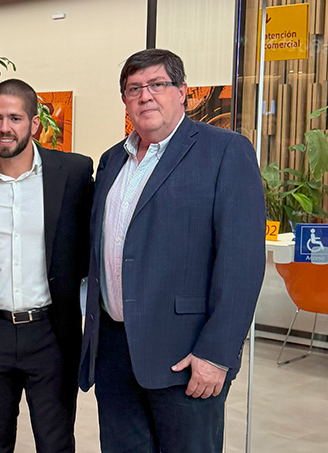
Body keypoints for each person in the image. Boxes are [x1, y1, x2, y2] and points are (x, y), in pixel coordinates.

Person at [78, 49, 266, 452]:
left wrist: (216, 354)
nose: (145, 96)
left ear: (183, 92)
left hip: (185, 356)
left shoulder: (225, 151)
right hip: (114, 353)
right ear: (125, 100)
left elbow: (242, 263)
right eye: (134, 89)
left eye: (157, 85)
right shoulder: (112, 161)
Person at [0, 79, 93, 452]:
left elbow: (90, 244)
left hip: (51, 333)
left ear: (34, 123)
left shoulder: (73, 173)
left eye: (15, 118)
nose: (5, 128)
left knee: (56, 444)